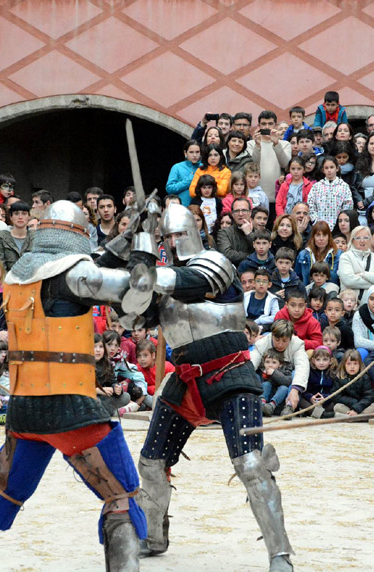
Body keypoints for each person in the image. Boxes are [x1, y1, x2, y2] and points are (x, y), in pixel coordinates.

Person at [0, 201, 152, 571]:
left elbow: (92, 265)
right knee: (122, 495)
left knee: (5, 492)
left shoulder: (21, 272)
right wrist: (144, 245)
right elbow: (136, 292)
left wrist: (125, 237)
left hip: (25, 410)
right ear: (77, 237)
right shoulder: (74, 276)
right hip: (72, 410)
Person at [134, 203, 295, 571]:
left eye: (177, 234)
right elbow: (133, 313)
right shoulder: (161, 276)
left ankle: (280, 553)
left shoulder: (215, 262)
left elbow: (190, 284)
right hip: (185, 381)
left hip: (229, 375)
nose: (174, 242)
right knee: (151, 462)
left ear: (190, 231)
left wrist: (144, 271)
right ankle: (154, 536)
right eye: (167, 237)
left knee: (251, 465)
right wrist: (138, 260)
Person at [338, 226, 374, 305]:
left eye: (366, 238)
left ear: (370, 240)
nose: (362, 241)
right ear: (352, 240)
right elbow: (349, 281)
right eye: (358, 238)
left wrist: (364, 275)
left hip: (373, 306)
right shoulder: (345, 257)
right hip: (349, 306)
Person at [307, 156, 354, 229]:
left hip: (338, 227)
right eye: (326, 168)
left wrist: (341, 222)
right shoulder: (316, 187)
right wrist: (316, 221)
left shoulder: (344, 186)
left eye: (331, 167)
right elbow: (311, 204)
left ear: (337, 168)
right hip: (320, 226)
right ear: (323, 170)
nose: (329, 170)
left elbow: (348, 205)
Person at [295, 221, 340, 286]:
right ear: (313, 237)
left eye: (324, 235)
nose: (321, 239)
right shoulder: (303, 255)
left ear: (329, 237)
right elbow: (298, 277)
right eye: (318, 235)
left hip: (331, 293)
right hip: (308, 292)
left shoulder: (338, 254)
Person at [0, 201, 33, 272]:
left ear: (29, 216)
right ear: (11, 217)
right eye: (16, 214)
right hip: (7, 280)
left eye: (24, 214)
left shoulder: (35, 237)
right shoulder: (2, 236)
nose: (20, 217)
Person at [216, 197, 255, 266]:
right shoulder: (224, 232)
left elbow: (261, 250)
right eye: (237, 211)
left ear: (250, 213)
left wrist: (249, 234)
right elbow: (227, 254)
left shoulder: (258, 231)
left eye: (244, 210)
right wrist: (252, 257)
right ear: (232, 214)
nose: (240, 214)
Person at [166, 139, 201, 206]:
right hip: (182, 208)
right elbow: (169, 189)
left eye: (197, 152)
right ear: (185, 153)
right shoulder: (177, 167)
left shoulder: (203, 167)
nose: (194, 155)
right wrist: (189, 181)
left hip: (201, 209)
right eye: (191, 152)